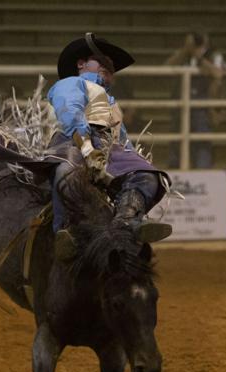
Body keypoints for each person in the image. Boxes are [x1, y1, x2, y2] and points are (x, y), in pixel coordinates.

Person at [47, 33, 172, 260]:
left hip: (108, 148)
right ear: (81, 64)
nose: (109, 67)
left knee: (147, 175)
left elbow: (121, 139)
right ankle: (67, 232)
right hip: (72, 141)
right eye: (102, 61)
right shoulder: (71, 84)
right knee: (67, 171)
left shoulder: (111, 103)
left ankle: (126, 221)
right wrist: (86, 148)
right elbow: (70, 112)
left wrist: (131, 160)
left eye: (111, 67)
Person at [164, 31, 226, 169]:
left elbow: (218, 73)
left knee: (202, 141)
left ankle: (203, 170)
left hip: (202, 104)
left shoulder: (214, 55)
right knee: (176, 140)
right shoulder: (183, 55)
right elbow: (166, 67)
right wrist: (185, 51)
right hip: (180, 103)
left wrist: (200, 58)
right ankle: (175, 171)